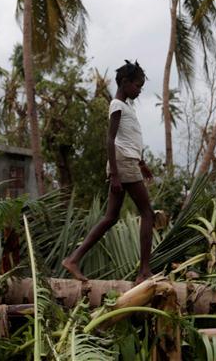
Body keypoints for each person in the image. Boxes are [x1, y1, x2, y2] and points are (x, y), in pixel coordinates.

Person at [62, 60, 155, 284]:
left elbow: (127, 139)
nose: (140, 90)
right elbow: (111, 140)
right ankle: (143, 271)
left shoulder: (127, 107)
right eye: (137, 85)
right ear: (124, 83)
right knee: (148, 213)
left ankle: (73, 259)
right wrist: (114, 174)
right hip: (122, 164)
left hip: (127, 162)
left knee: (110, 217)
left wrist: (142, 163)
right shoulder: (117, 105)